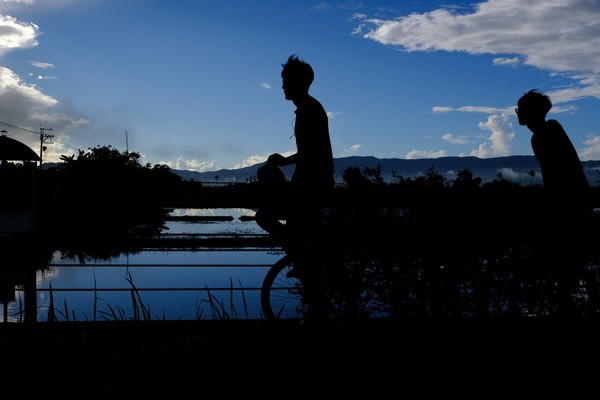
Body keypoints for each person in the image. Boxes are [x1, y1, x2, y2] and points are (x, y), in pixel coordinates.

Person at [255, 54, 335, 321]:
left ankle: (301, 260)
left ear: (299, 82)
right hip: (309, 184)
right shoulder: (309, 108)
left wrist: (285, 162)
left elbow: (312, 152)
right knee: (297, 234)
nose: (282, 87)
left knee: (264, 216)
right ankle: (304, 265)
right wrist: (286, 162)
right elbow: (311, 151)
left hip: (311, 187)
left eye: (285, 81)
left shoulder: (310, 109)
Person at [515, 89, 593, 316]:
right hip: (573, 201)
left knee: (560, 260)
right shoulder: (550, 130)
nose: (518, 114)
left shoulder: (542, 135)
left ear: (530, 112)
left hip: (567, 204)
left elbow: (556, 175)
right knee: (565, 264)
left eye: (520, 110)